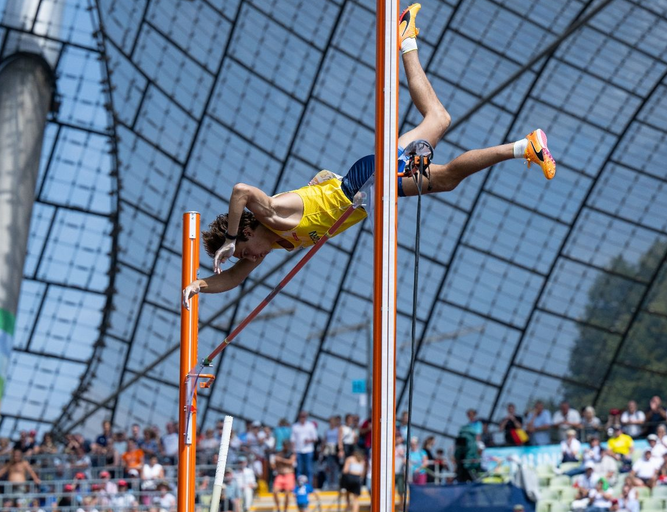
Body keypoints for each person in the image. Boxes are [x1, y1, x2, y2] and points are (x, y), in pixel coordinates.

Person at [182, 5, 556, 308]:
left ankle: (524, 143)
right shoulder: (270, 244)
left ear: (246, 230)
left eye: (244, 251)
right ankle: (410, 42)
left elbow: (240, 191)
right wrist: (198, 284)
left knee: (438, 131)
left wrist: (230, 239)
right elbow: (230, 279)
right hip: (366, 190)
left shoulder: (270, 215)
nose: (249, 259)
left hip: (364, 179)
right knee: (443, 156)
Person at [341, 448, 367, 512]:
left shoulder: (350, 459)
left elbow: (345, 470)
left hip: (349, 477)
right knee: (356, 500)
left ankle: (348, 507)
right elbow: (362, 473)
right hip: (357, 479)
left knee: (348, 495)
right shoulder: (362, 461)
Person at [272, 445, 296, 512]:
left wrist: (281, 460)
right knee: (275, 492)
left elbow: (291, 462)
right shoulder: (279, 454)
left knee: (287, 493)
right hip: (280, 475)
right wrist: (275, 461)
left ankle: (285, 511)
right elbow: (273, 466)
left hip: (289, 475)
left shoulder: (292, 454)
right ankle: (278, 509)